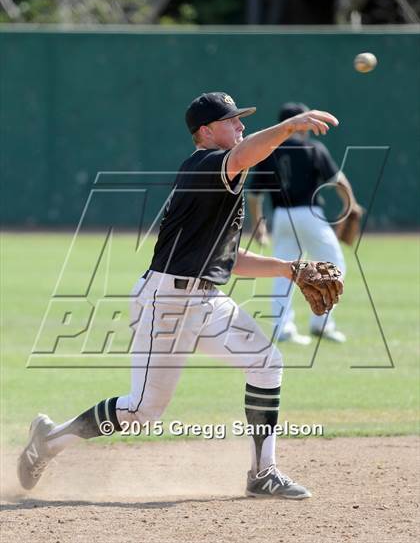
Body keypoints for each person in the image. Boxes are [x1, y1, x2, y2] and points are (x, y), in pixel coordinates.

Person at [18, 92, 339, 499]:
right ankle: (50, 439)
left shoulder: (220, 179)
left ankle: (263, 472)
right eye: (231, 121)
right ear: (205, 132)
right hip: (167, 300)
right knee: (141, 411)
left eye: (241, 120)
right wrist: (290, 127)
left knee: (266, 363)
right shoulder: (206, 166)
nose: (239, 125)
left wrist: (289, 269)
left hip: (205, 299)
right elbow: (244, 154)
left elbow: (228, 258)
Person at [248, 102, 361, 344]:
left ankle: (283, 328)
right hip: (309, 215)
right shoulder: (313, 148)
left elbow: (254, 195)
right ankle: (322, 323)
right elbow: (337, 180)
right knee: (334, 263)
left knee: (283, 270)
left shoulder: (269, 150)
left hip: (281, 217)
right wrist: (350, 204)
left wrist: (259, 226)